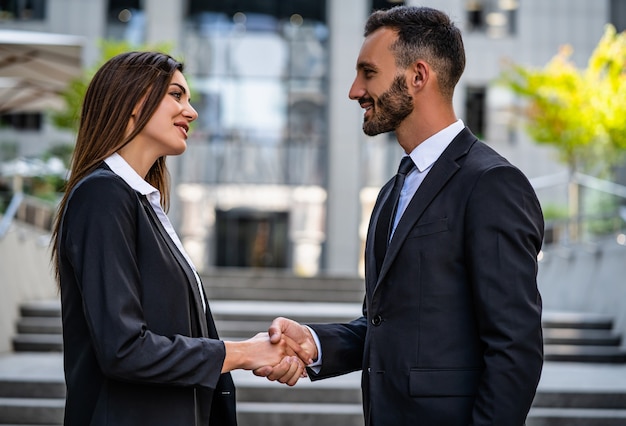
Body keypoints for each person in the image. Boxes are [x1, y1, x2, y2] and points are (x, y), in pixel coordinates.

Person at [257, 6, 544, 425]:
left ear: (418, 76)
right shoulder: (393, 191)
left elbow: (515, 348)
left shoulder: (492, 183)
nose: (355, 90)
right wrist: (314, 343)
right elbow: (386, 326)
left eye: (368, 72)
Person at [50, 51, 305, 426]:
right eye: (176, 95)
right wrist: (242, 353)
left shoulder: (139, 202)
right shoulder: (103, 195)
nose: (191, 112)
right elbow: (123, 348)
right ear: (133, 101)